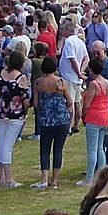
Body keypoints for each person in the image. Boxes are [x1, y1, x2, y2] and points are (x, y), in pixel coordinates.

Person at [0, 50, 30, 188]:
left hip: (1, 112)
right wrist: (25, 113)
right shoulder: (21, 78)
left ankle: (1, 177)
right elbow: (25, 99)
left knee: (1, 144)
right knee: (7, 146)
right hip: (15, 114)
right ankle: (8, 179)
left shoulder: (1, 73)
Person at [32, 57, 73, 190]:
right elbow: (70, 101)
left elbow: (36, 103)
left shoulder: (38, 83)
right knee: (58, 150)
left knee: (45, 150)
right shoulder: (60, 82)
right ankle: (54, 180)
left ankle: (44, 179)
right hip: (62, 120)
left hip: (46, 120)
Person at [80, 55, 108, 183]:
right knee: (100, 148)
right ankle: (102, 176)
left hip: (94, 118)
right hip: (105, 117)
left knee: (92, 149)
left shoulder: (94, 84)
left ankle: (89, 179)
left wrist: (83, 116)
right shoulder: (106, 82)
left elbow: (87, 104)